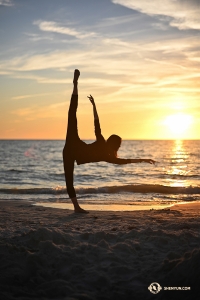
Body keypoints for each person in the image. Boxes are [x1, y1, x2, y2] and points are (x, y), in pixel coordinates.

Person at [63, 69, 155, 213]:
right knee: (69, 180)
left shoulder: (101, 141)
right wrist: (143, 159)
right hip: (73, 151)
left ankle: (75, 85)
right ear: (116, 146)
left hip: (71, 145)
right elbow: (125, 161)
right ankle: (76, 208)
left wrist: (94, 106)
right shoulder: (108, 157)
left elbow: (96, 123)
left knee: (72, 114)